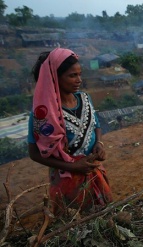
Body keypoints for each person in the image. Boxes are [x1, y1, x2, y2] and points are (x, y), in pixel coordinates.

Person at [28, 48, 113, 216]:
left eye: (79, 74)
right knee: (74, 226)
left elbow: (95, 124)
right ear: (54, 78)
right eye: (72, 75)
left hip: (94, 173)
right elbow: (34, 154)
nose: (79, 80)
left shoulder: (85, 99)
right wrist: (73, 166)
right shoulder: (43, 114)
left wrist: (98, 143)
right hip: (66, 182)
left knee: (104, 220)